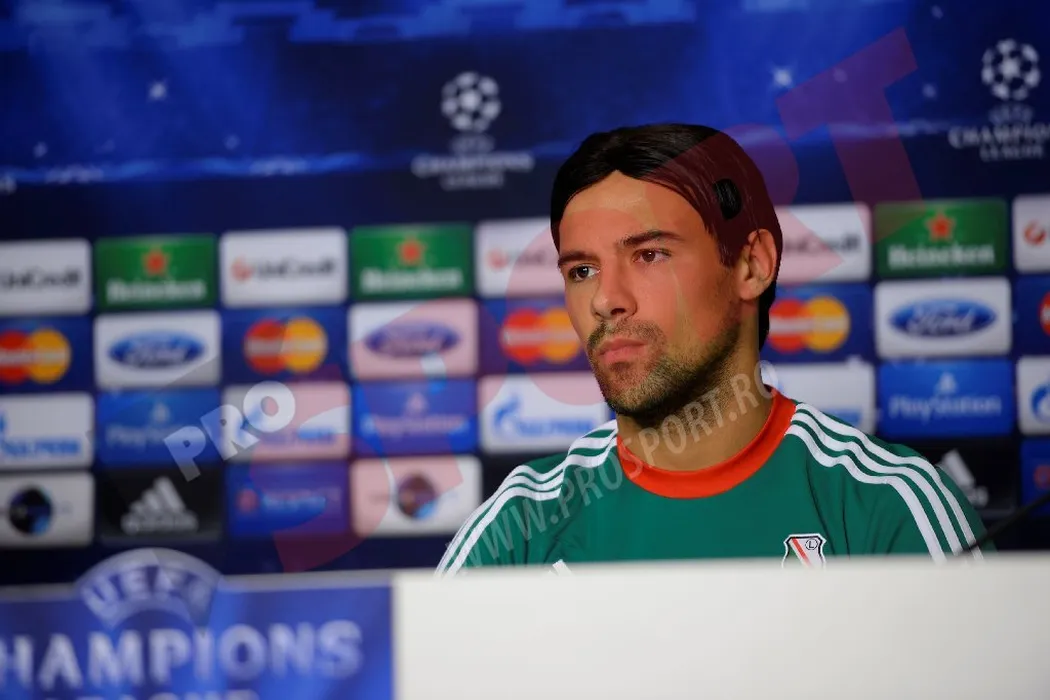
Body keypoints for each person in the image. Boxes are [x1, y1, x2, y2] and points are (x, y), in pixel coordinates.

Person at [435, 123, 990, 576]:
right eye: (582, 270)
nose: (605, 299)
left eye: (649, 255)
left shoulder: (888, 505)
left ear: (751, 265)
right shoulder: (516, 531)